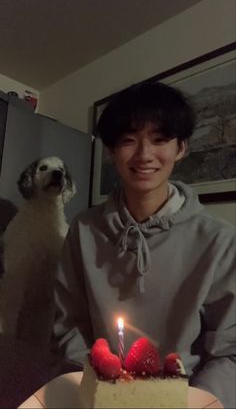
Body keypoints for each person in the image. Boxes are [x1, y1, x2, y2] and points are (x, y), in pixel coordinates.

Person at [52, 82, 236, 408]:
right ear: (111, 151)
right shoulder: (84, 230)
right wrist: (101, 391)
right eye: (128, 140)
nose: (144, 155)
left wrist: (193, 402)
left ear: (181, 148)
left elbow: (229, 351)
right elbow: (69, 325)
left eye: (160, 139)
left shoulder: (219, 241)